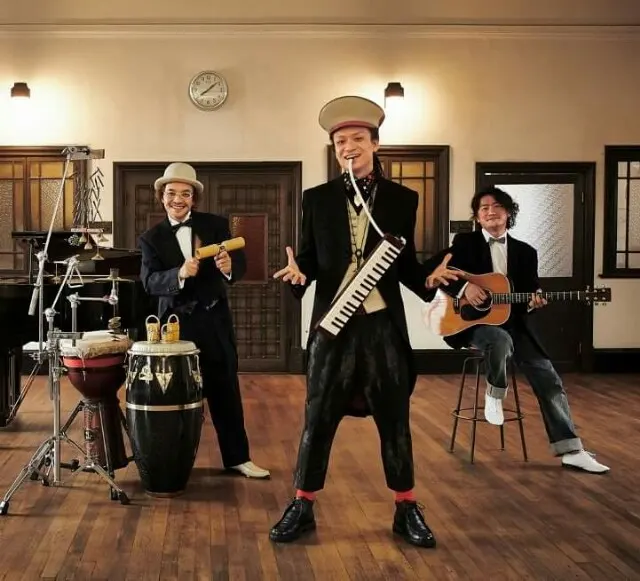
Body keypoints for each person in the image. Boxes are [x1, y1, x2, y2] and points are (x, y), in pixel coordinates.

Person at [270, 95, 459, 547]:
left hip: (381, 327)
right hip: (332, 328)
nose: (348, 147)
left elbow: (404, 264)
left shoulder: (401, 199)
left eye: (357, 138)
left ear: (375, 144)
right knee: (317, 418)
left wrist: (428, 279)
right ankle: (302, 504)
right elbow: (309, 260)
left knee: (394, 419)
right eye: (340, 142)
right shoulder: (316, 200)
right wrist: (299, 276)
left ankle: (406, 507)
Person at [423, 186, 609, 474]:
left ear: (509, 213)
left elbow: (528, 292)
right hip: (473, 324)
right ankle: (495, 393)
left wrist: (534, 302)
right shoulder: (464, 243)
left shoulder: (526, 252)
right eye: (484, 208)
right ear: (477, 217)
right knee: (499, 340)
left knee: (548, 379)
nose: (490, 212)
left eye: (497, 206)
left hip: (515, 325)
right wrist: (465, 287)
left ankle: (571, 450)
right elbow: (432, 272)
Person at [138, 162, 270, 479]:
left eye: (185, 194)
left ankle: (238, 458)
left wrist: (228, 266)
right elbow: (149, 282)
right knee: (175, 394)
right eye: (172, 193)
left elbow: (239, 264)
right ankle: (173, 460)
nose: (178, 199)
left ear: (193, 198)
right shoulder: (151, 238)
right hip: (175, 327)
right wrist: (179, 273)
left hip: (214, 321)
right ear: (162, 197)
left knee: (226, 390)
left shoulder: (216, 226)